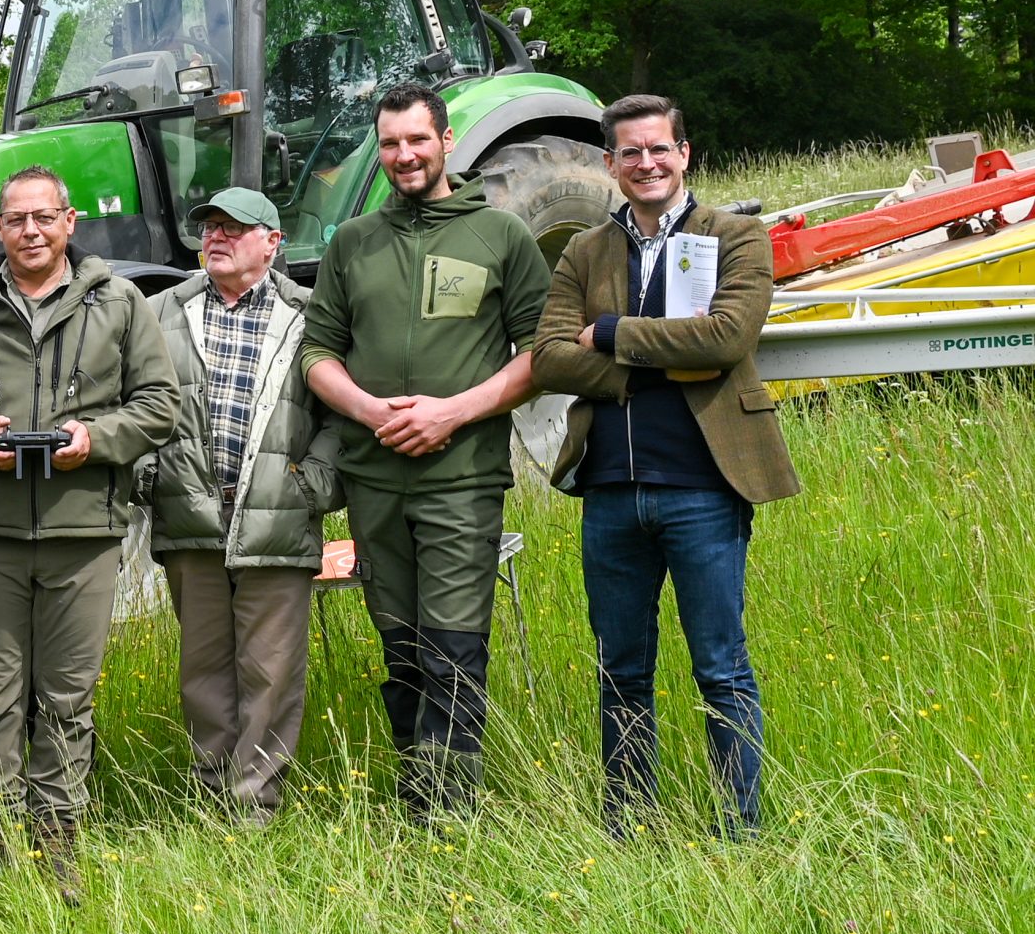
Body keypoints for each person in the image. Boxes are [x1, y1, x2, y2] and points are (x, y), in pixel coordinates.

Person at [0, 166, 181, 903]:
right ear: (1, 228)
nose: (29, 231)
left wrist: (95, 437)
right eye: (17, 219)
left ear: (70, 224)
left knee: (66, 700)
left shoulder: (119, 303)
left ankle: (58, 852)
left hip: (83, 532)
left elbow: (160, 405)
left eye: (43, 218)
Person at [531, 93, 798, 839]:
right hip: (610, 492)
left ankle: (739, 832)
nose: (646, 164)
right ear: (611, 165)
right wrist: (639, 365)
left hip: (705, 488)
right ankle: (628, 826)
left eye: (659, 149)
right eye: (630, 153)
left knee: (721, 668)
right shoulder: (585, 251)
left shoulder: (737, 237)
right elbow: (549, 357)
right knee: (621, 671)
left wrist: (611, 333)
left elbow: (724, 339)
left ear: (685, 154)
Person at [301, 86, 550, 822]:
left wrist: (455, 411)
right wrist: (372, 411)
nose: (403, 156)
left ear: (446, 141)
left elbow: (541, 350)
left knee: (451, 645)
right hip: (373, 478)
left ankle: (449, 814)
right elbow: (319, 351)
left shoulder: (500, 236)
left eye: (416, 140)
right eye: (389, 144)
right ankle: (419, 792)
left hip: (460, 477)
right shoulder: (353, 242)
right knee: (402, 649)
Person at [144, 188, 339, 821]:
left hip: (278, 518)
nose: (217, 238)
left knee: (270, 671)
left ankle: (254, 807)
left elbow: (344, 418)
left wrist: (312, 485)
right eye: (209, 228)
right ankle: (210, 799)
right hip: (190, 516)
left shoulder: (312, 315)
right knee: (203, 670)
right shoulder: (159, 312)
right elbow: (129, 403)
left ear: (272, 242)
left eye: (234, 228)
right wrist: (151, 476)